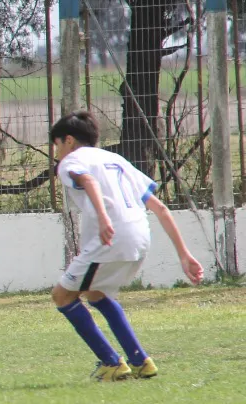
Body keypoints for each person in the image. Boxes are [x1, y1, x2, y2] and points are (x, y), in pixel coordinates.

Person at [50, 110, 204, 381]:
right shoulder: (116, 160)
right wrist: (184, 254)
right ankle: (140, 362)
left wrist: (103, 218)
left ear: (69, 140)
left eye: (57, 145)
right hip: (140, 236)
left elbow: (88, 180)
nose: (57, 152)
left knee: (62, 296)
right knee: (96, 294)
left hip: (111, 238)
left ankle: (111, 363)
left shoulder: (72, 161)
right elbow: (159, 208)